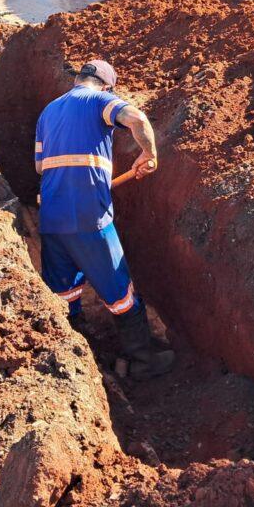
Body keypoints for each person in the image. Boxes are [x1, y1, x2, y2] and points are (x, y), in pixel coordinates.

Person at [35, 60, 174, 380]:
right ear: (107, 87)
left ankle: (76, 350)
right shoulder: (99, 101)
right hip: (89, 217)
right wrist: (149, 154)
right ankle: (142, 360)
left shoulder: (48, 112)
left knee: (62, 291)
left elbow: (41, 167)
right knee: (119, 290)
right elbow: (136, 118)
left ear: (79, 79)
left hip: (51, 216)